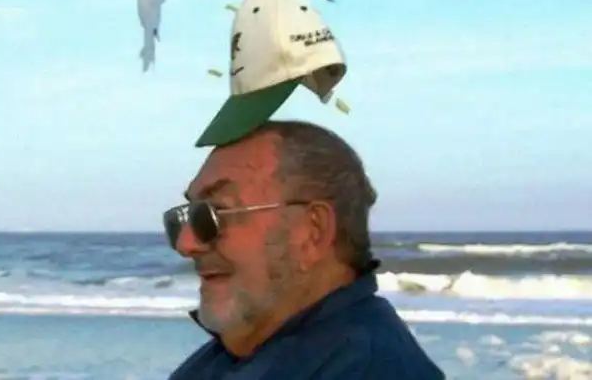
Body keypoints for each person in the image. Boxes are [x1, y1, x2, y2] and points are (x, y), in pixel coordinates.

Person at [163, 119, 445, 379]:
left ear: (312, 231)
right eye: (188, 217)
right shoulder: (240, 353)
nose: (186, 243)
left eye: (214, 213)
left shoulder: (367, 369)